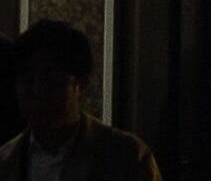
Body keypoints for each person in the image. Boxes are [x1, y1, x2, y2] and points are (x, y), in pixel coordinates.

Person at [3, 23, 158, 181]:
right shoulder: (7, 159)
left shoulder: (125, 156)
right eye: (27, 79)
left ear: (81, 84)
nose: (37, 91)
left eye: (51, 80)